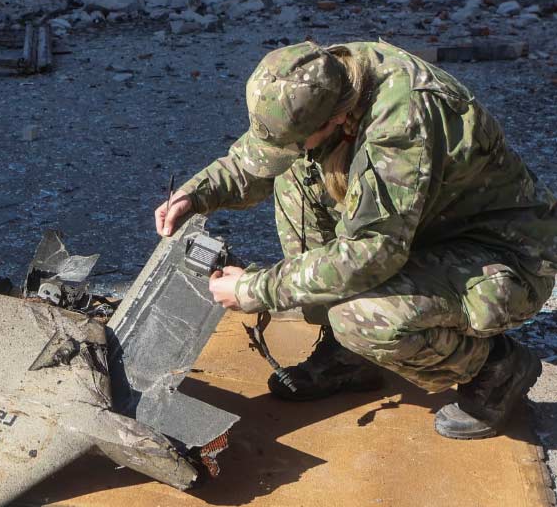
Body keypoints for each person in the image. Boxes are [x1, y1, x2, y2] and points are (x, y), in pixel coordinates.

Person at [154, 40, 557, 440]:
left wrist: (253, 289)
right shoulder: (325, 79)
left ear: (336, 119)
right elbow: (260, 156)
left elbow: (371, 254)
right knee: (296, 173)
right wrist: (196, 194)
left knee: (360, 317)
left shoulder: (401, 125)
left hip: (505, 258)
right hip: (424, 233)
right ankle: (350, 357)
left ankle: (495, 368)